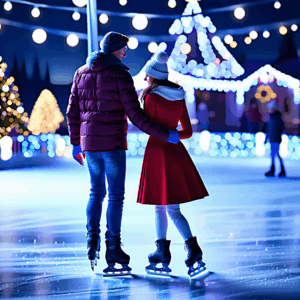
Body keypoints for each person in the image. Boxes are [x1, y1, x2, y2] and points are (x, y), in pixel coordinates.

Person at [66, 32, 180, 275]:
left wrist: (77, 143)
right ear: (116, 50)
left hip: (90, 146)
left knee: (96, 192)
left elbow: (72, 112)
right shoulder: (120, 75)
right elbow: (135, 115)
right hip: (113, 145)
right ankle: (113, 247)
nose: (126, 53)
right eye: (124, 49)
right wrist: (165, 134)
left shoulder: (80, 73)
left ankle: (92, 240)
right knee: (115, 196)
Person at [137, 51, 209, 278]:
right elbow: (186, 131)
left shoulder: (150, 98)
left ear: (153, 75)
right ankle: (194, 251)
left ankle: (162, 253)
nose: (145, 78)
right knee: (174, 209)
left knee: (160, 206)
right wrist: (173, 135)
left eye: (147, 75)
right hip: (175, 153)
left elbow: (147, 125)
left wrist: (163, 134)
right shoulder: (178, 96)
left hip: (157, 152)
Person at [264, 100, 286, 178]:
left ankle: (279, 170)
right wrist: (266, 138)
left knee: (275, 154)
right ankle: (274, 169)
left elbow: (279, 129)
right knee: (274, 154)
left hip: (275, 139)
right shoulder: (271, 118)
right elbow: (268, 129)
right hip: (272, 139)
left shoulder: (276, 118)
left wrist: (276, 137)